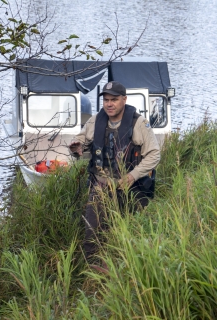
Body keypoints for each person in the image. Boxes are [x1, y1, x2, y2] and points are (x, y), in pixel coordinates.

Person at [69, 81, 161, 265]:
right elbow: (80, 139)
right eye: (106, 100)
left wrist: (133, 175)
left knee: (133, 233)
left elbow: (154, 154)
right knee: (92, 233)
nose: (109, 104)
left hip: (132, 187)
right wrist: (76, 146)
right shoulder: (96, 121)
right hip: (101, 186)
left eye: (114, 100)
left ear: (124, 100)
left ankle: (128, 270)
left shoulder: (139, 124)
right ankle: (93, 273)